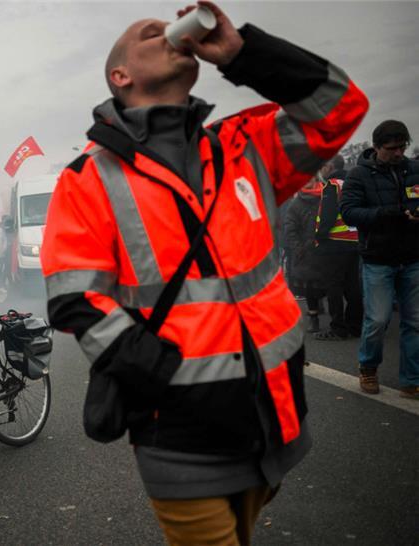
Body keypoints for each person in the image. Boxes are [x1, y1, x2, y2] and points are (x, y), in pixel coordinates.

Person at [40, 2, 368, 544]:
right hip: (181, 439)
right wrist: (163, 378)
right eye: (149, 34)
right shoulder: (87, 178)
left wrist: (242, 53)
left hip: (276, 420)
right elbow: (74, 297)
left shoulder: (242, 146)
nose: (166, 32)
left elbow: (339, 106)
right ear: (121, 76)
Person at [340, 120, 419, 399]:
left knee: (414, 322)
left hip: (413, 257)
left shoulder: (414, 169)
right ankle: (368, 367)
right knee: (377, 319)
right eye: (392, 148)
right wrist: (388, 214)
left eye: (402, 147)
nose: (398, 153)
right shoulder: (358, 175)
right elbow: (349, 213)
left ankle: (411, 379)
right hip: (378, 259)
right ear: (376, 147)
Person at [311, 160, 362, 340]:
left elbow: (328, 215)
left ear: (329, 167)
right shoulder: (353, 184)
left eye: (322, 166)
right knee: (353, 286)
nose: (320, 171)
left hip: (334, 243)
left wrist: (319, 237)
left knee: (334, 287)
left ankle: (338, 328)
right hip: (354, 242)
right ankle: (355, 326)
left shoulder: (332, 185)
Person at [284, 178, 326, 333]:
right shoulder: (296, 204)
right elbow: (290, 228)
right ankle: (313, 317)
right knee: (310, 286)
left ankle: (337, 319)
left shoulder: (327, 197)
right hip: (306, 252)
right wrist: (298, 249)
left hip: (326, 249)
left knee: (330, 284)